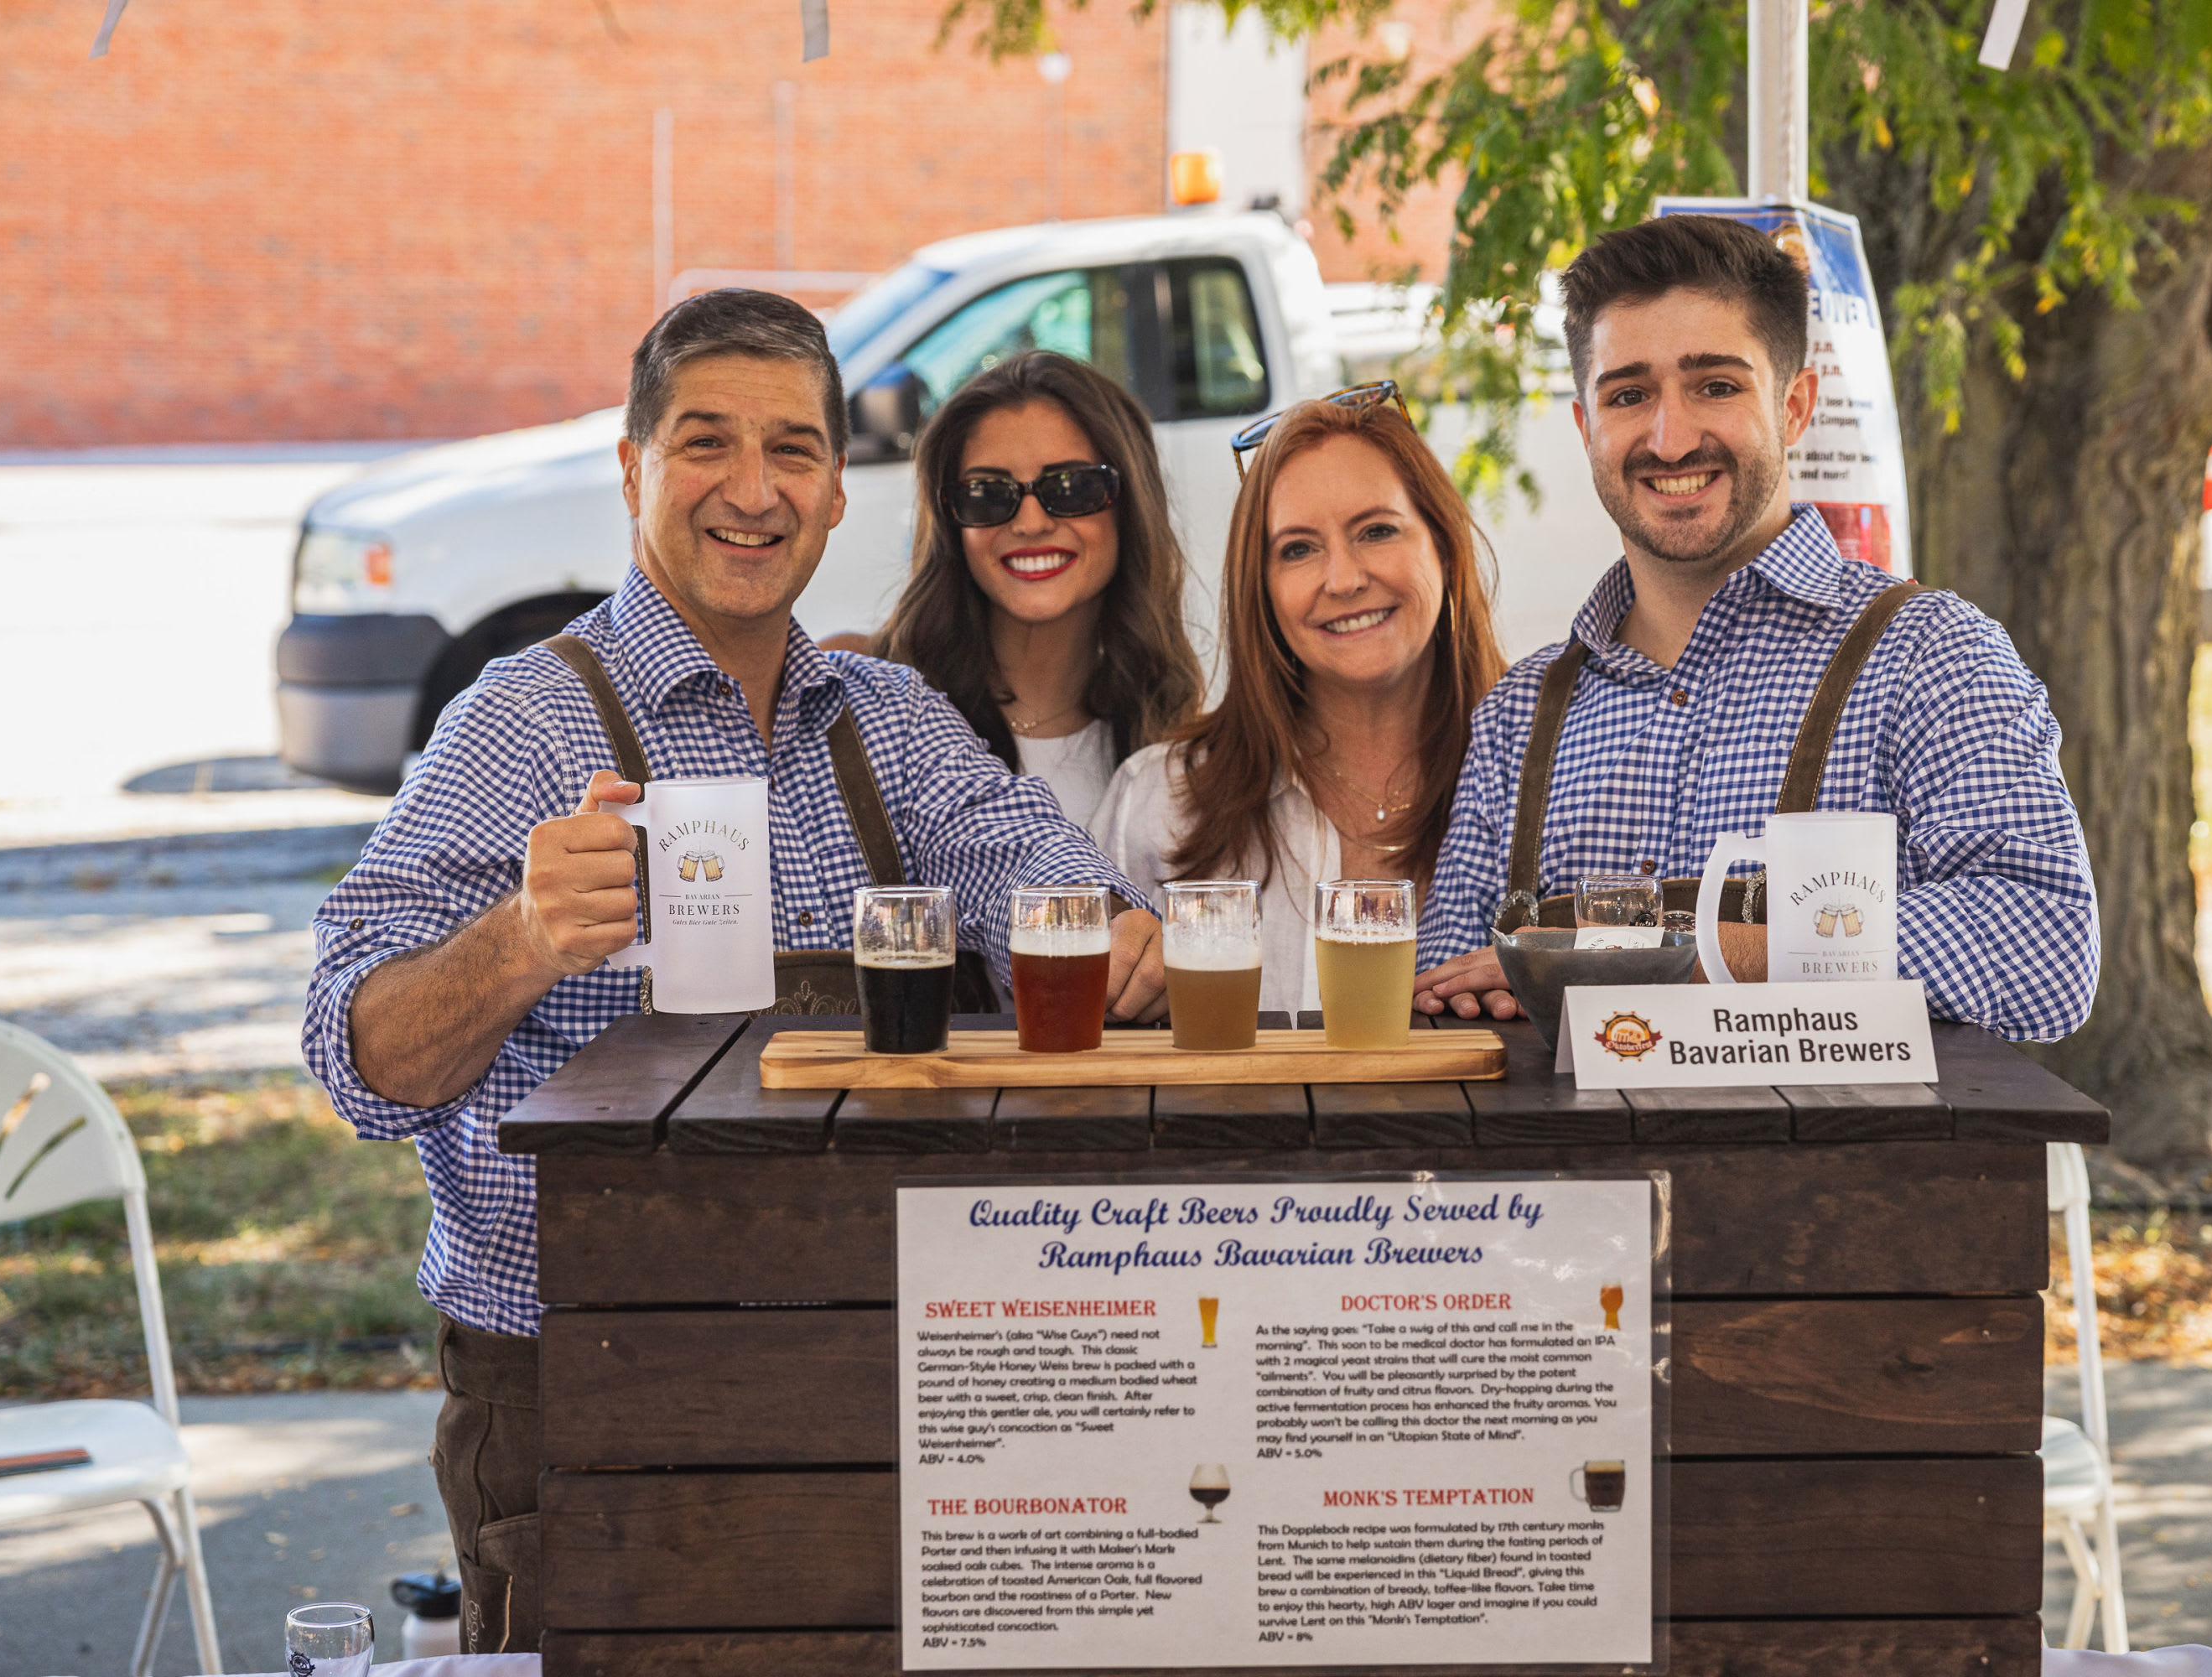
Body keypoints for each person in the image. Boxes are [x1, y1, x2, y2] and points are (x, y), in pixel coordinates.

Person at [299, 290, 1165, 1653]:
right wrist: (522, 939)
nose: (753, 490)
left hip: (858, 1363)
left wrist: (1114, 933)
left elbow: (1031, 865)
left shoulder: (887, 720)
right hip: (582, 1386)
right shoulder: (521, 725)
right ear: (633, 468)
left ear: (836, 494)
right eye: (706, 442)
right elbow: (358, 1062)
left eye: (793, 451)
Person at [1412, 215, 2099, 1036]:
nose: (1670, 439)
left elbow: (2045, 947)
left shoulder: (1930, 657)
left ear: (1795, 405)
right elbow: (1444, 991)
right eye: (1628, 395)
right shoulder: (1518, 717)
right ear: (1586, 427)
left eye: (1716, 385)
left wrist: (1657, 959)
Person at [1093, 388, 1506, 1013]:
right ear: (1260, 589)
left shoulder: (1549, 777)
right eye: (1298, 549)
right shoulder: (1159, 802)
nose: (1343, 579)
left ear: (1444, 547)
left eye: (1377, 531)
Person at [876, 351, 1204, 828]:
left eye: (1071, 488)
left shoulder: (1179, 745)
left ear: (1129, 506)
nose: (1031, 523)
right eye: (988, 494)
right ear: (951, 523)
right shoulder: (861, 696)